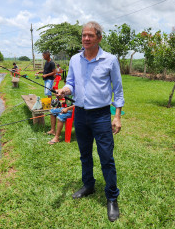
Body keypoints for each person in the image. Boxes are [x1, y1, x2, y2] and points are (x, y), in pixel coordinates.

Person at [56, 21, 124, 222]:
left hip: (101, 115)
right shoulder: (75, 60)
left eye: (90, 36)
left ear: (99, 38)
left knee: (106, 158)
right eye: (84, 35)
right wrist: (65, 90)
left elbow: (118, 91)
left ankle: (112, 197)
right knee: (84, 154)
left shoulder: (110, 60)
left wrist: (117, 116)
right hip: (80, 113)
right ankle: (88, 185)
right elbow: (71, 83)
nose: (86, 39)